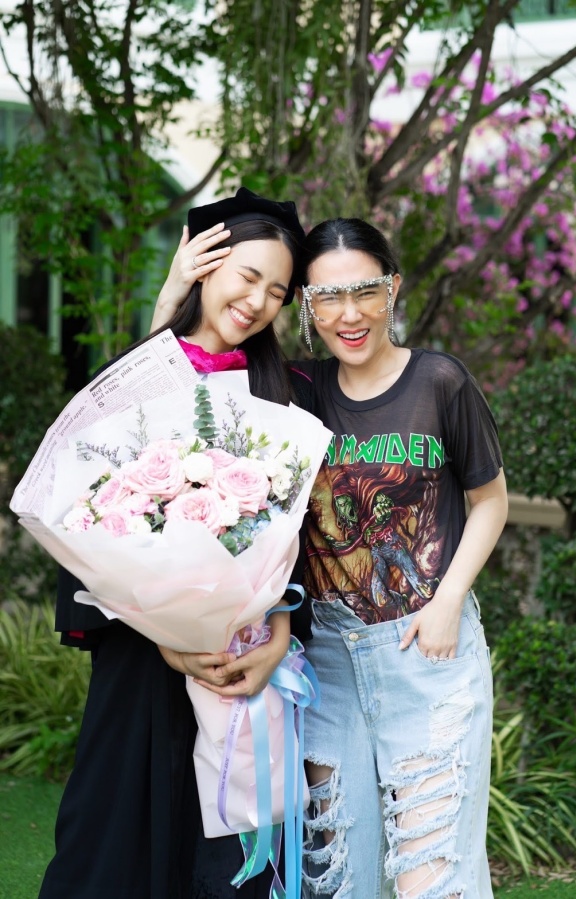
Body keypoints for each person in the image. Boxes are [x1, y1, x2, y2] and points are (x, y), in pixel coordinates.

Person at [150, 214, 508, 898]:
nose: (350, 314)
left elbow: (489, 500)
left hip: (428, 655)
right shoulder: (294, 390)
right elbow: (180, 398)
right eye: (326, 297)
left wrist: (448, 601)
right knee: (336, 879)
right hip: (328, 668)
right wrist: (173, 296)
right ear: (306, 307)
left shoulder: (440, 381)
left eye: (365, 291)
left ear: (392, 288)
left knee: (432, 876)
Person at [39, 188, 312, 899]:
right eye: (247, 276)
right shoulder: (133, 380)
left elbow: (301, 540)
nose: (257, 301)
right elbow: (82, 515)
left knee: (222, 859)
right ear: (205, 265)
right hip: (139, 665)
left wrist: (279, 638)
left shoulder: (285, 395)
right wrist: (164, 636)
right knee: (113, 848)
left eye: (277, 291)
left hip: (238, 667)